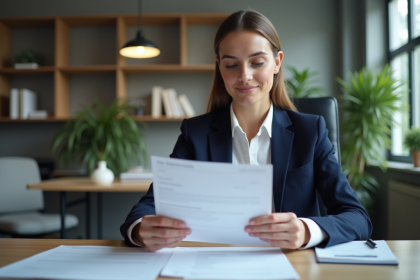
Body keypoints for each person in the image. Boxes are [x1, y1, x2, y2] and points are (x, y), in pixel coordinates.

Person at [120, 10, 372, 252]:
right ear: (219, 67)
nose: (245, 76)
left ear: (277, 62)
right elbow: (149, 205)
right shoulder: (194, 133)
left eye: (257, 62)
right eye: (232, 65)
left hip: (292, 264)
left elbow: (357, 217)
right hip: (214, 262)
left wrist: (306, 230)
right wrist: (141, 230)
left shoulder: (310, 131)